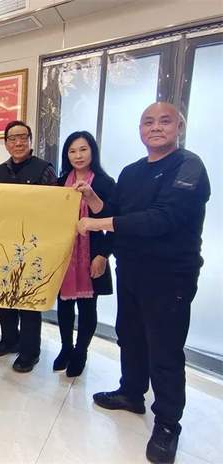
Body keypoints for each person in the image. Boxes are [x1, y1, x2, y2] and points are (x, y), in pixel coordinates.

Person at [77, 102, 210, 464]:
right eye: (148, 122)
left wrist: (98, 224)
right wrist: (93, 199)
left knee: (165, 349)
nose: (156, 127)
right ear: (140, 130)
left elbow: (162, 219)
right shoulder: (132, 171)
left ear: (179, 127)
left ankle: (167, 423)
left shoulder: (189, 166)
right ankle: (131, 392)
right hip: (131, 269)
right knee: (130, 335)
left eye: (165, 121)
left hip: (170, 274)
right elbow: (115, 211)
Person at [0, 121, 57, 373]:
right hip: (4, 242)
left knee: (28, 300)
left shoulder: (44, 169)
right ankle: (9, 340)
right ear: (6, 143)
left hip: (33, 243)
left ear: (30, 140)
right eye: (12, 138)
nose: (18, 143)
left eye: (22, 138)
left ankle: (30, 352)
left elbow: (53, 207)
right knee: (5, 295)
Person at [53, 131, 115, 377]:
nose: (78, 155)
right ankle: (66, 348)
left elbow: (114, 222)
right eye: (72, 151)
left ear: (92, 152)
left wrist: (103, 255)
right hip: (65, 254)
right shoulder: (60, 182)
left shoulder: (105, 183)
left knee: (88, 307)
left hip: (92, 253)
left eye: (83, 149)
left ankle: (81, 352)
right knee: (64, 305)